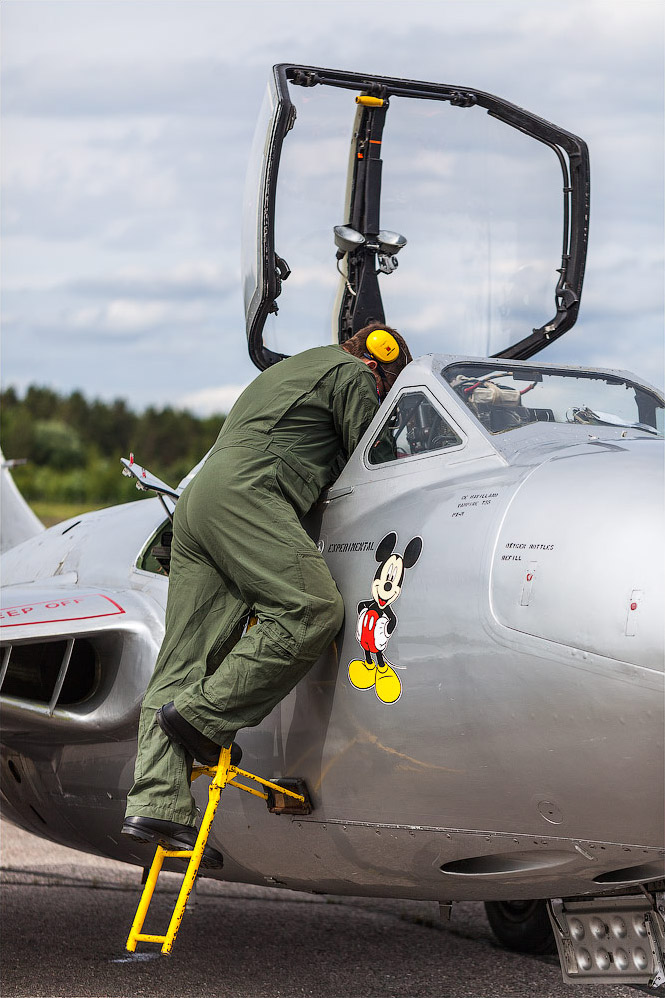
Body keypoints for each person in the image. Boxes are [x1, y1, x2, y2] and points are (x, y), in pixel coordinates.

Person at [122, 322, 412, 866]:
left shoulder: (290, 371)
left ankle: (157, 805)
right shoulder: (353, 374)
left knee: (182, 658)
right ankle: (204, 718)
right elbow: (375, 459)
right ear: (380, 361)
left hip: (199, 501)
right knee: (311, 611)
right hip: (249, 495)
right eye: (388, 387)